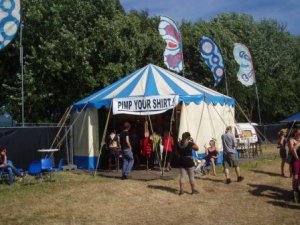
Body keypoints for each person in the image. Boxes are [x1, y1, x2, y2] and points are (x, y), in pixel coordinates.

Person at [288, 128, 300, 203]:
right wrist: (298, 143)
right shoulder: (291, 140)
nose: (299, 134)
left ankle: (298, 192)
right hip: (295, 160)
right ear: (294, 133)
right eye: (298, 133)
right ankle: (295, 193)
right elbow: (292, 150)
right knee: (295, 177)